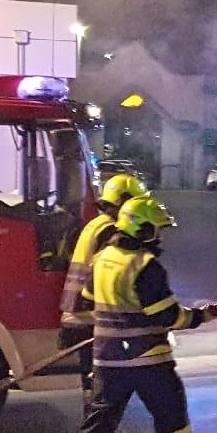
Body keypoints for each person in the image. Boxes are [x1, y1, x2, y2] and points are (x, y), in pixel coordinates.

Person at [71, 195, 217, 433]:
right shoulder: (145, 266)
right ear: (142, 229)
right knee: (170, 406)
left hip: (106, 356)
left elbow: (85, 302)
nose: (160, 237)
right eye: (157, 230)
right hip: (146, 357)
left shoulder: (102, 258)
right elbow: (170, 316)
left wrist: (112, 325)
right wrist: (201, 316)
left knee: (102, 414)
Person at [59, 174, 149, 410]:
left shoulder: (96, 223)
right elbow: (112, 276)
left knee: (94, 376)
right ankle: (97, 427)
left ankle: (95, 421)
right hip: (92, 315)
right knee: (104, 377)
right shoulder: (111, 231)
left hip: (78, 311)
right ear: (123, 202)